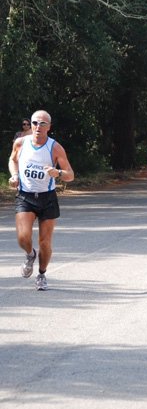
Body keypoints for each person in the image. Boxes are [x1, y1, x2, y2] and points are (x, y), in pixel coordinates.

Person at [8, 110, 74, 290]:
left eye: (42, 124)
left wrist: (58, 173)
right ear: (30, 124)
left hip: (47, 197)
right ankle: (30, 255)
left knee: (44, 242)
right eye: (35, 123)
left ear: (49, 127)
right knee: (23, 237)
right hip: (25, 195)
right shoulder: (20, 143)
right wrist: (15, 175)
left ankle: (42, 274)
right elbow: (12, 160)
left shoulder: (55, 148)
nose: (38, 127)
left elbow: (70, 175)